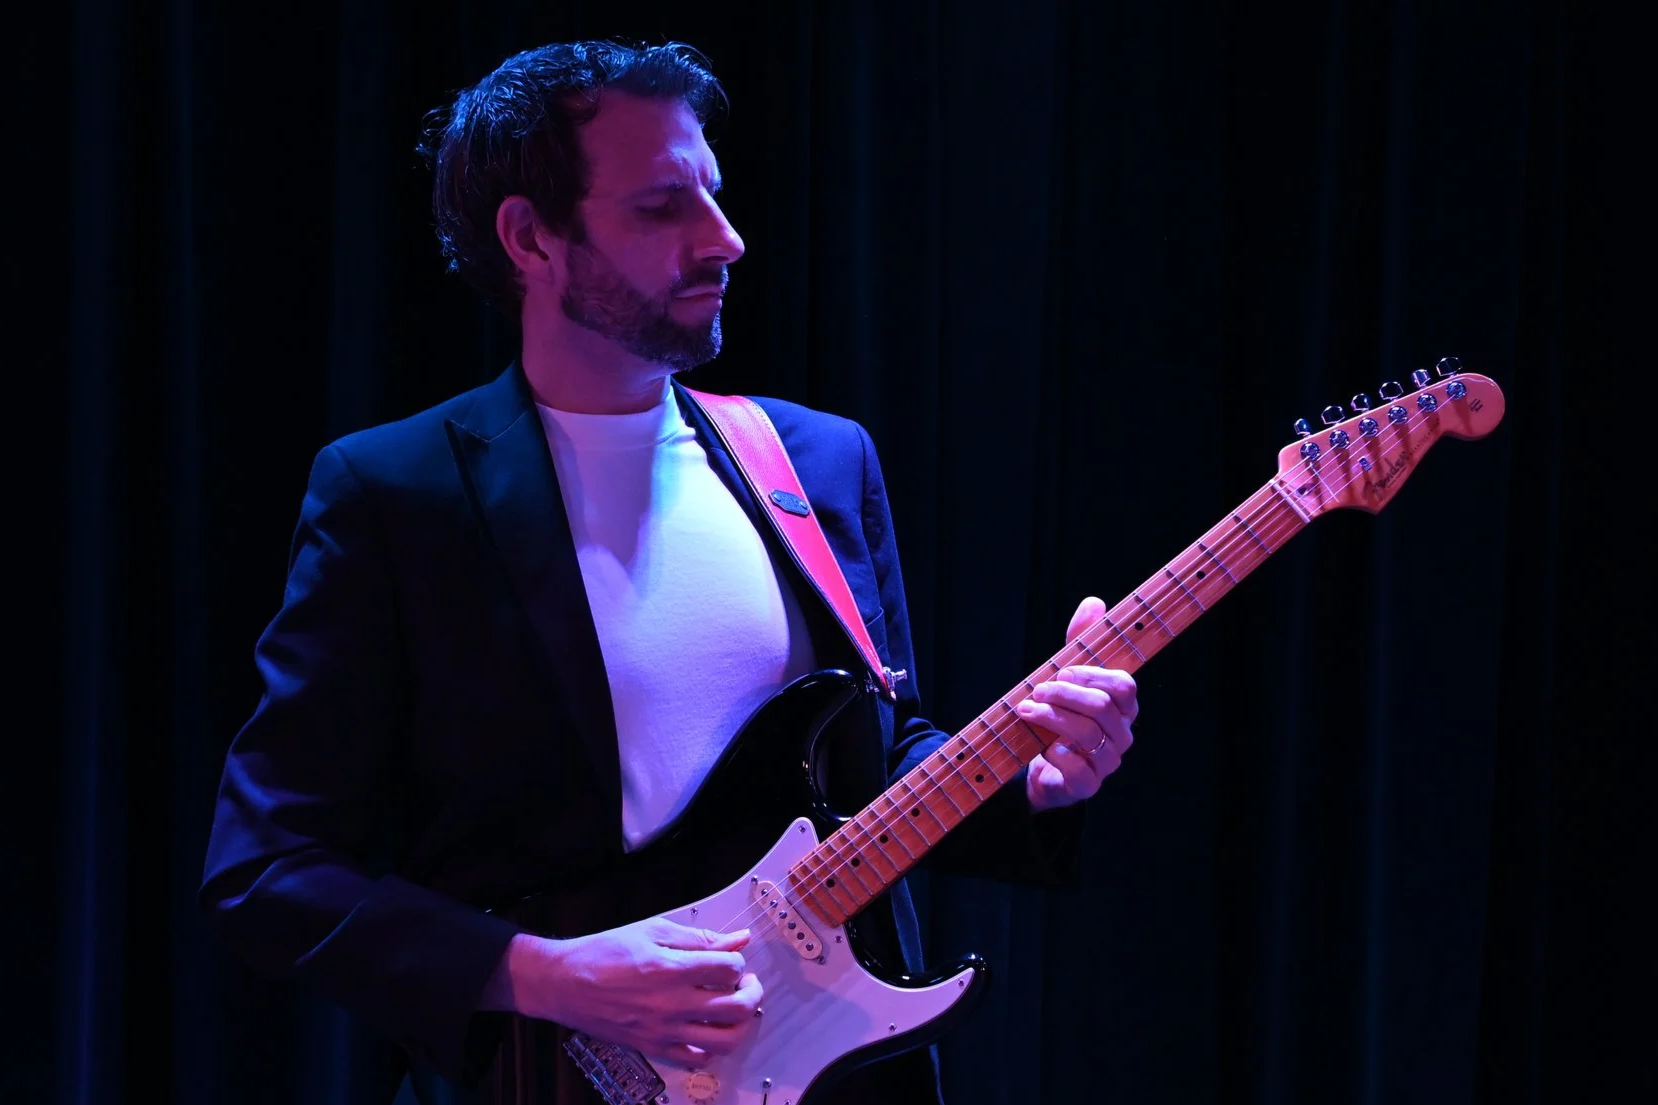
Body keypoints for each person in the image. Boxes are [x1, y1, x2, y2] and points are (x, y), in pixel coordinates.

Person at [199, 39, 1138, 1105]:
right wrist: (548, 977)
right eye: (661, 208)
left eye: (716, 196)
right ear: (530, 236)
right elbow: (267, 871)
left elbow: (874, 755)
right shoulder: (395, 493)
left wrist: (1037, 780)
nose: (725, 240)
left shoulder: (819, 461)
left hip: (832, 1076)